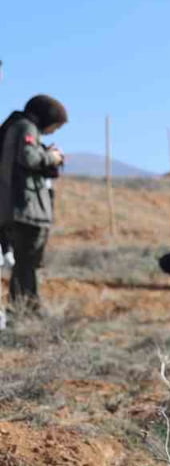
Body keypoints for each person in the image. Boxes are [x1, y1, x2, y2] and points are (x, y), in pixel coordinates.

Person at [0, 95, 67, 315]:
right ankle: (26, 307)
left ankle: (25, 306)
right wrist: (51, 157)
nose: (52, 132)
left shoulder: (20, 127)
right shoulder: (25, 128)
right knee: (26, 261)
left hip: (25, 208)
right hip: (25, 209)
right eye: (54, 127)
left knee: (26, 261)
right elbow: (29, 158)